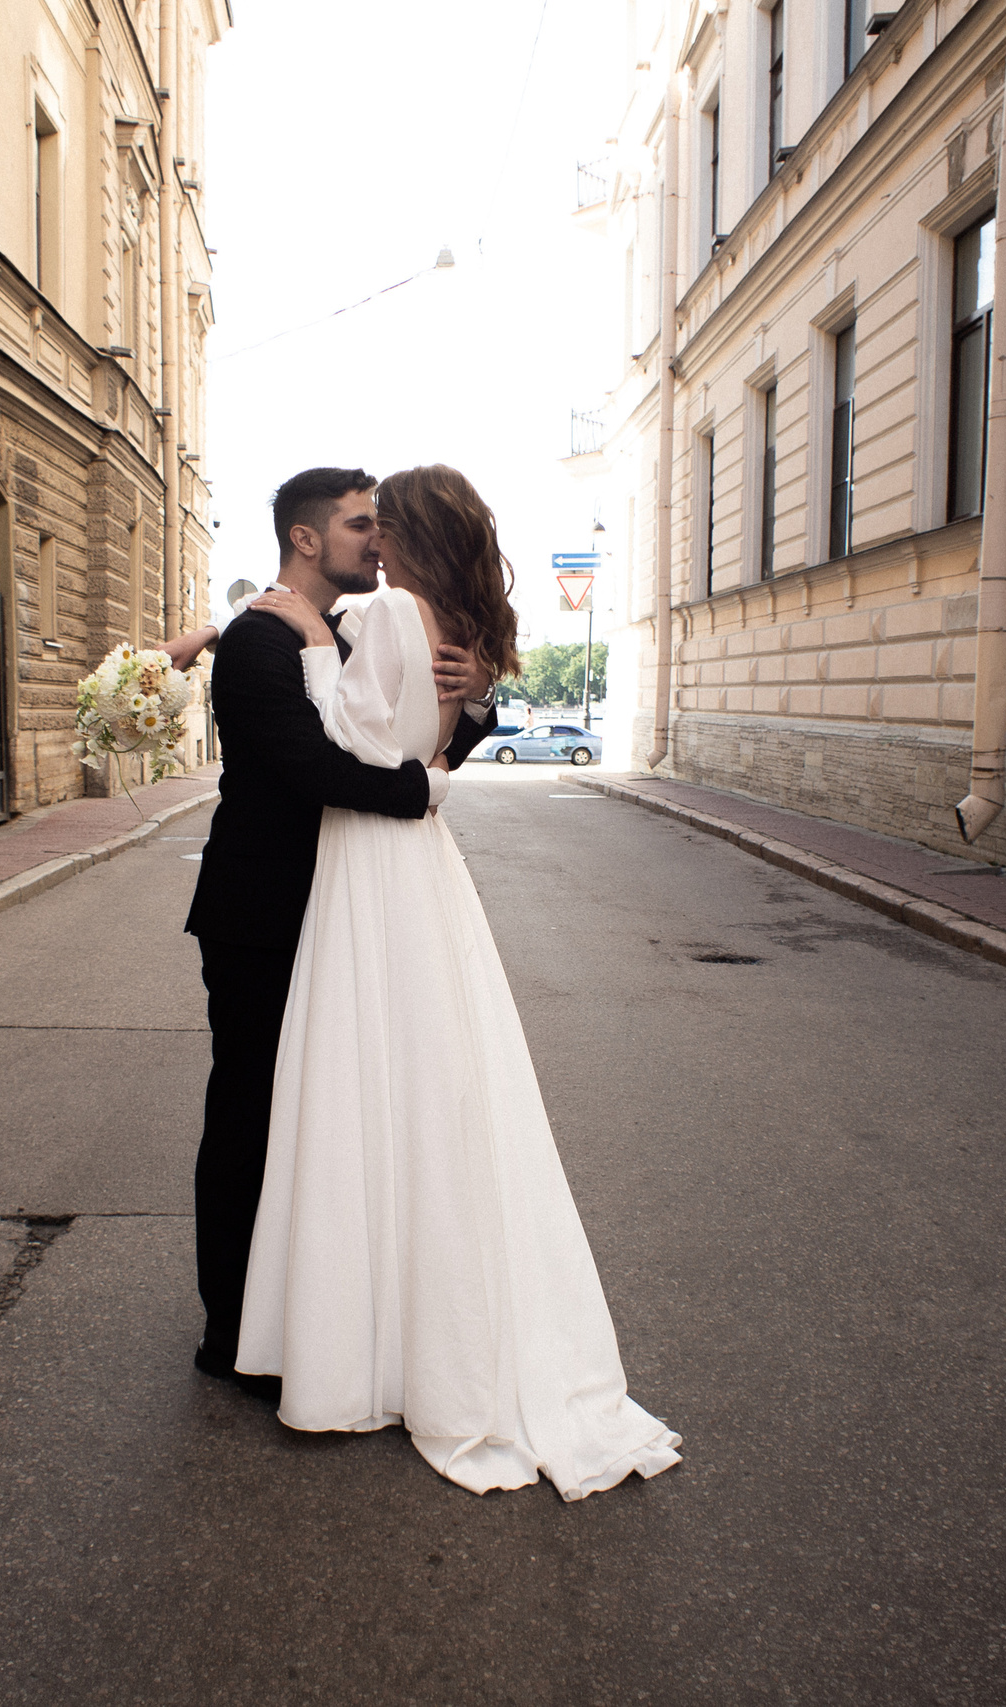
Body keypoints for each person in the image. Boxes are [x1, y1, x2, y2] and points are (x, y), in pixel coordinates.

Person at [236, 465, 682, 1500]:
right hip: (415, 870)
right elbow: (421, 745)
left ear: (407, 533)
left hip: (372, 865)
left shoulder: (393, 614)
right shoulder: (451, 629)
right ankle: (423, 1329)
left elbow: (348, 743)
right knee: (432, 1085)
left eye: (379, 524)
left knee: (363, 1084)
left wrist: (313, 649)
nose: (371, 540)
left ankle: (368, 1341)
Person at [179, 468, 499, 1402]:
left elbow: (409, 733)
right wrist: (426, 790)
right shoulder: (257, 641)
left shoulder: (358, 627)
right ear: (307, 539)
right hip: (262, 915)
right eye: (361, 524)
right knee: (251, 1116)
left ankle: (316, 1313)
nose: (377, 538)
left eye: (381, 523)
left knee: (332, 1118)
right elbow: (317, 769)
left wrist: (474, 700)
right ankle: (230, 1327)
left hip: (350, 911)